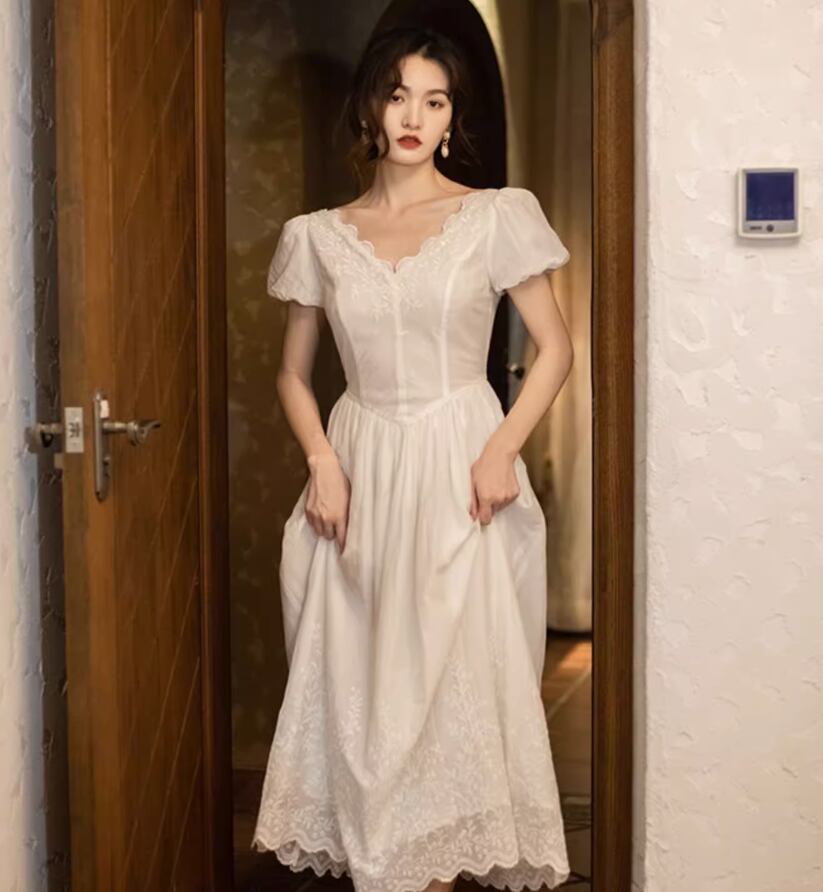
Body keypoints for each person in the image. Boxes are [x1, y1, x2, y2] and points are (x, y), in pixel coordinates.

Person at [252, 24, 574, 892]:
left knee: (451, 698)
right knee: (366, 705)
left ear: (451, 117)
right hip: (359, 474)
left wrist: (501, 448)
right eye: (398, 96)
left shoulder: (495, 215)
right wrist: (321, 462)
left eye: (434, 102)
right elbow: (291, 373)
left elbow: (554, 349)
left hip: (460, 471)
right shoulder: (317, 235)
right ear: (370, 104)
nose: (413, 117)